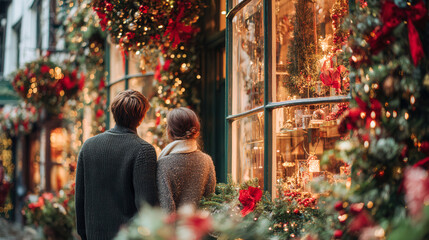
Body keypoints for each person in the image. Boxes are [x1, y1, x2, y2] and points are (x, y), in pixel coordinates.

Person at [75, 90, 158, 240]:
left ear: (113, 112)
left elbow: (80, 198)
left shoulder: (88, 146)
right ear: (142, 116)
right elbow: (147, 208)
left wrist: (84, 233)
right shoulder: (143, 150)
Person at [157, 107, 216, 212]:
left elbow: (166, 209)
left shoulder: (162, 164)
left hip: (174, 228)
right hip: (201, 226)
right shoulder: (207, 161)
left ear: (169, 132)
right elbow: (211, 203)